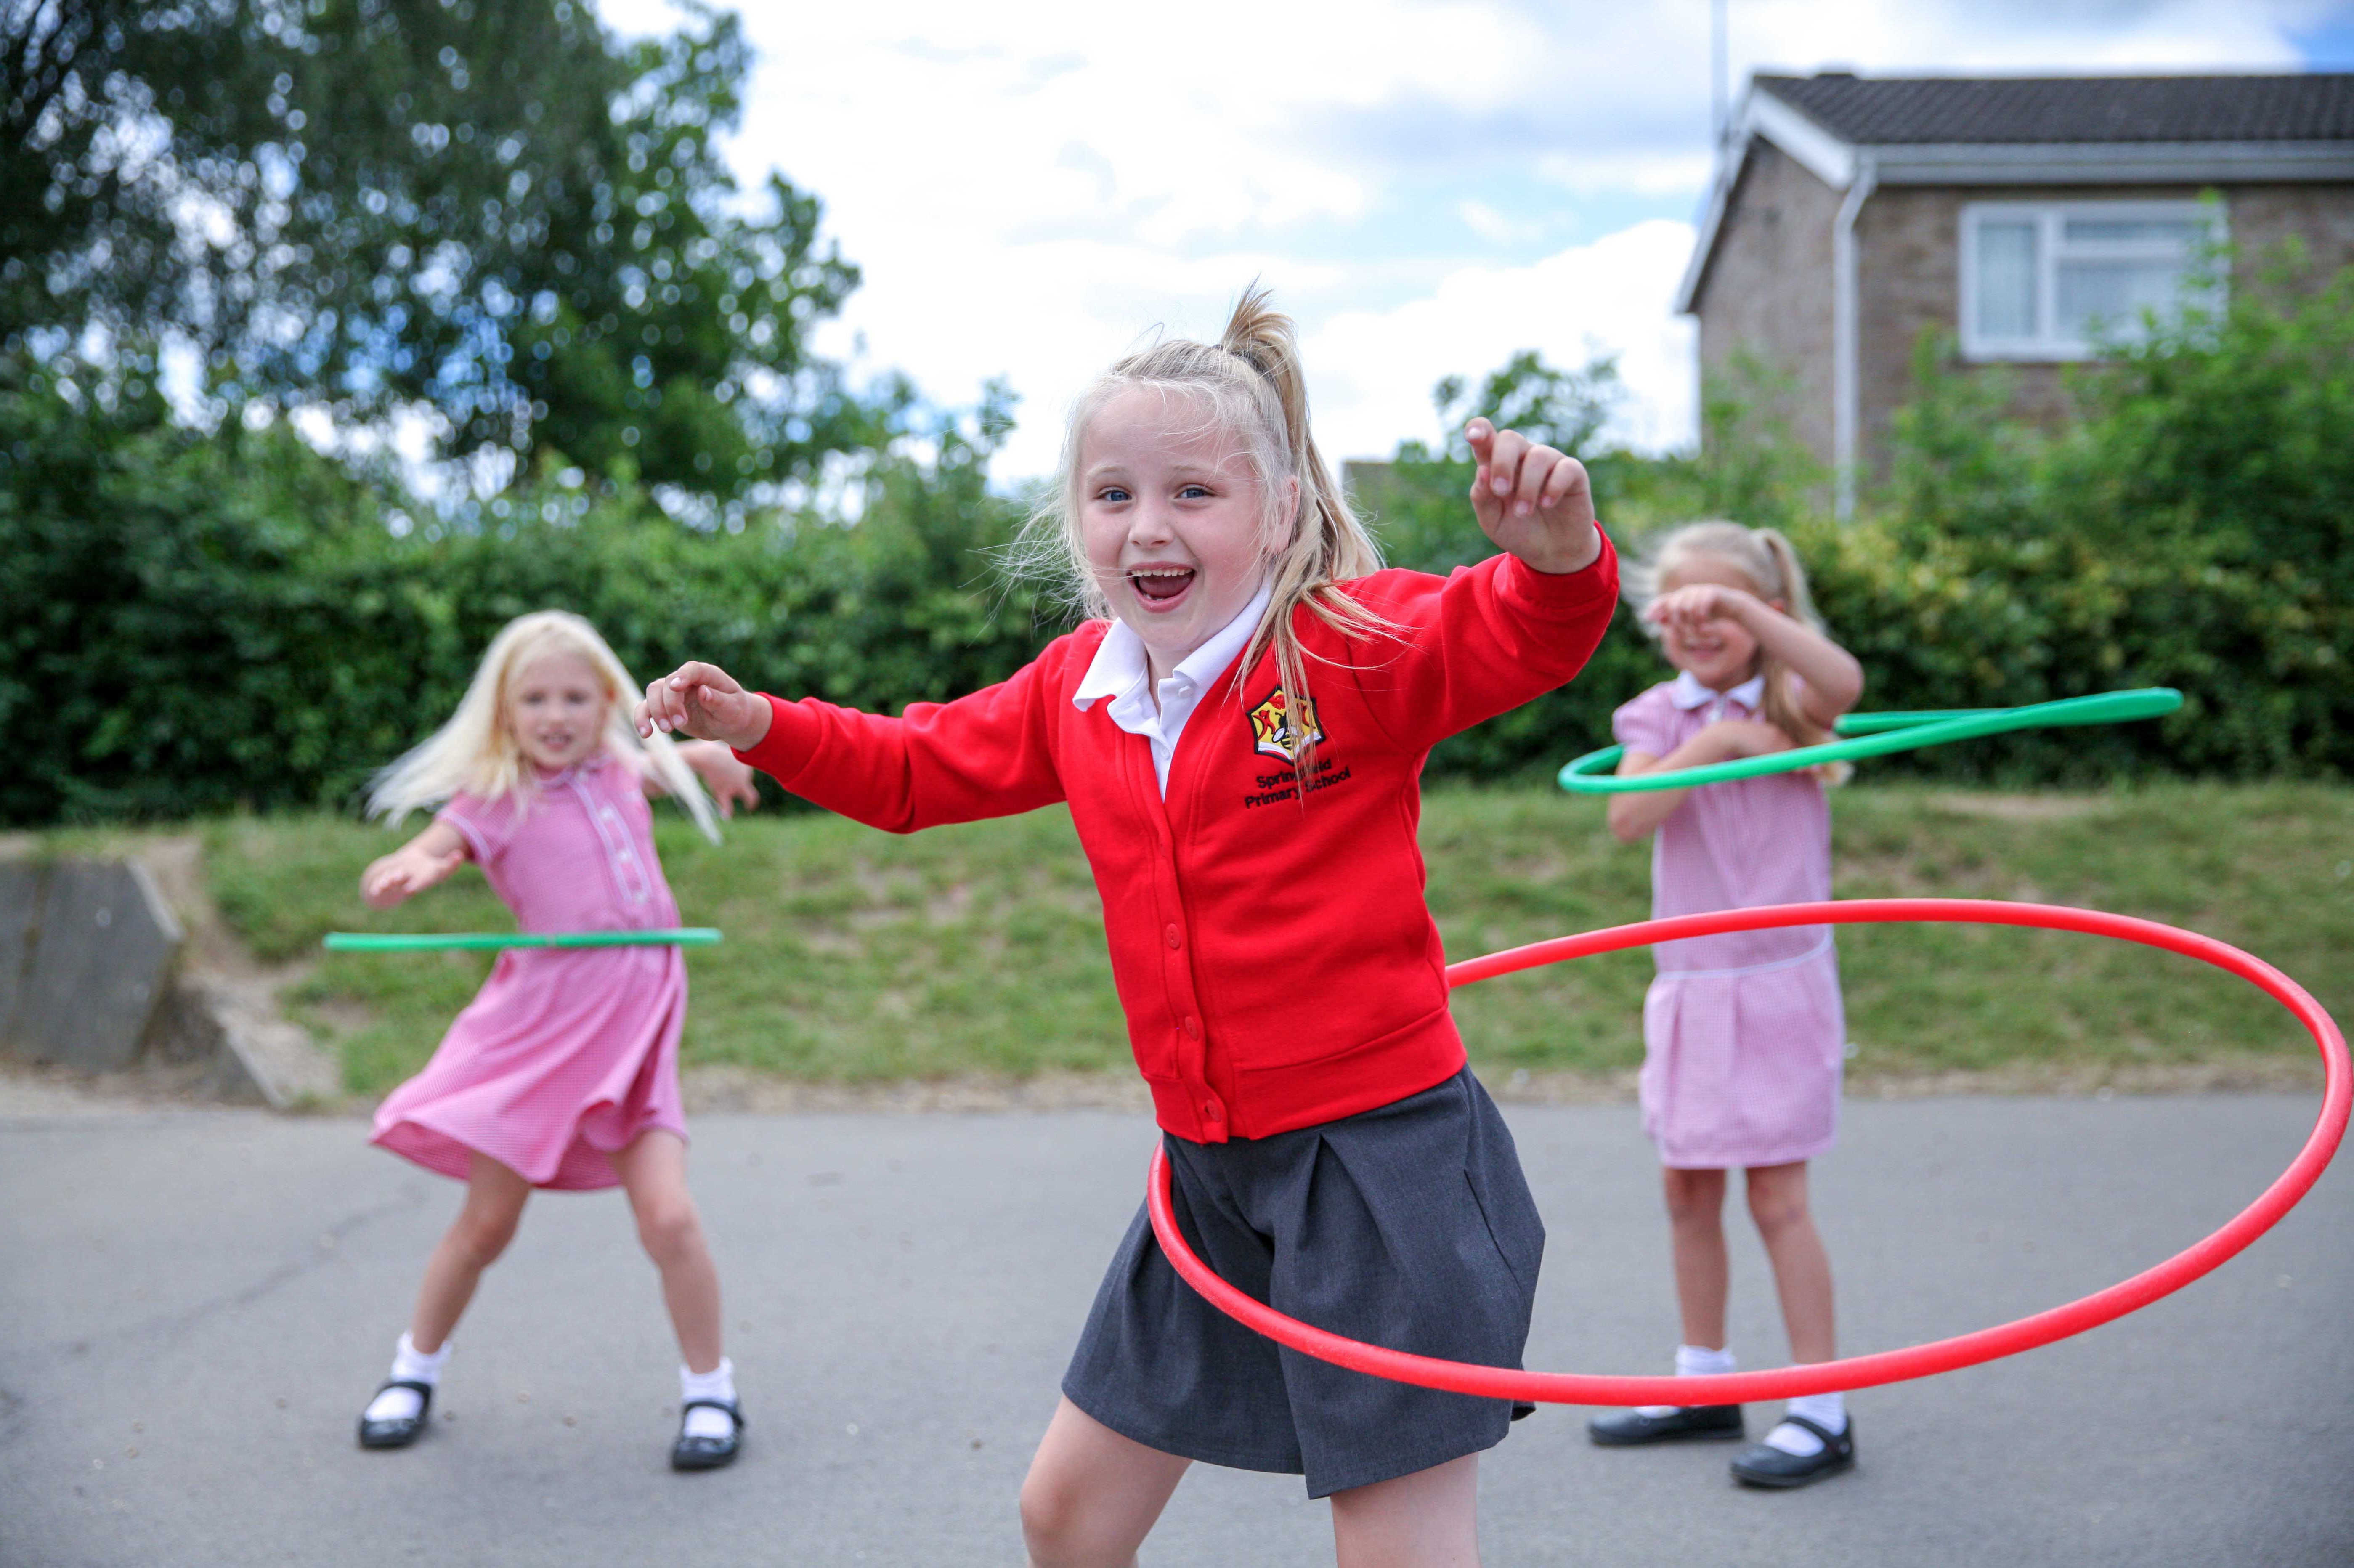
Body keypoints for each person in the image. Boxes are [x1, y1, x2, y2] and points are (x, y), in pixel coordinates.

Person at [637, 289, 1619, 1566]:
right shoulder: (1079, 691)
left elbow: (1512, 636)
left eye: (1193, 495)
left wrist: (1555, 553)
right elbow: (914, 769)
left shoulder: (1342, 651)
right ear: (1078, 521)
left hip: (1378, 1170)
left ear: (1277, 514)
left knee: (1398, 1552)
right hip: (1210, 1174)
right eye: (1113, 496)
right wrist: (761, 722)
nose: (1148, 527)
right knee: (1064, 1514)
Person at [350, 610, 762, 1472]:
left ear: (605, 700)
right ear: (504, 711)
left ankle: (710, 1392)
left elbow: (666, 764)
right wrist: (413, 869)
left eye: (576, 696)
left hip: (635, 1031)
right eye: (534, 698)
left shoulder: (615, 771)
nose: (556, 714)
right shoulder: (495, 800)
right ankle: (411, 1371)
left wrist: (711, 758)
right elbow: (441, 844)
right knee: (486, 1225)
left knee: (671, 1217)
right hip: (544, 1040)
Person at [1587, 520, 1866, 1488]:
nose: (1700, 627)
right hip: (1692, 989)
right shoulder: (1653, 717)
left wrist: (1752, 623)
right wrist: (1714, 739)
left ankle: (1820, 1405)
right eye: (1682, 609)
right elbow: (1627, 816)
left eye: (1725, 609)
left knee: (1778, 1197)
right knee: (1685, 1189)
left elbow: (1845, 685)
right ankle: (1702, 1379)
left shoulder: (1796, 706)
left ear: (1763, 616)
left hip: (1779, 988)